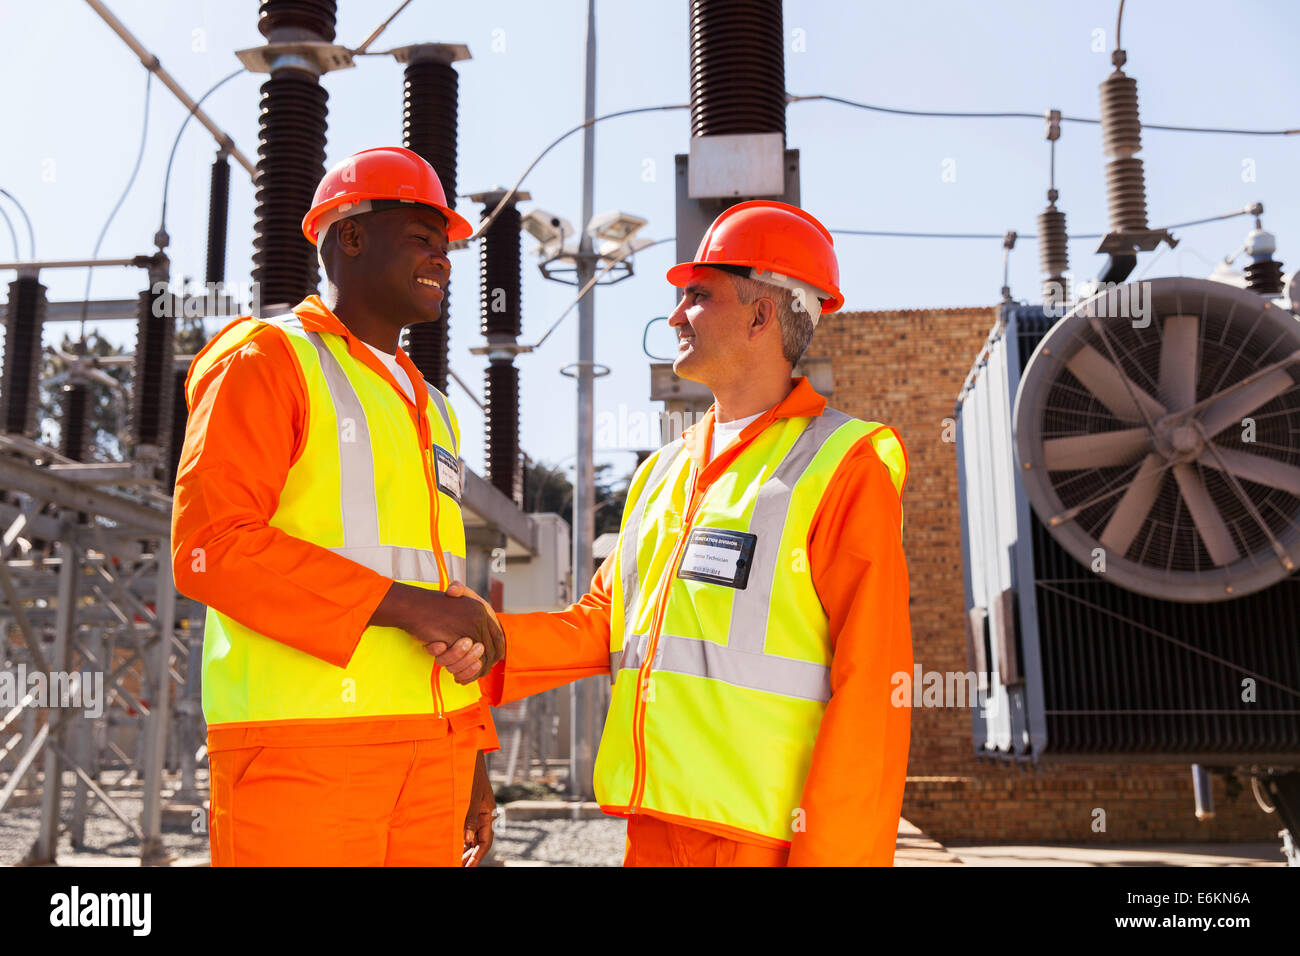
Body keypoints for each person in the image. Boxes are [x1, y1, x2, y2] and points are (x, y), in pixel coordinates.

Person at [442, 200, 912, 865]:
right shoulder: (664, 471)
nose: (673, 315)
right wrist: (481, 642)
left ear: (762, 312)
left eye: (697, 295)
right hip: (653, 832)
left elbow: (874, 693)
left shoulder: (843, 466)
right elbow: (605, 627)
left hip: (761, 844)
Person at [172, 146, 504, 867]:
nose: (442, 260)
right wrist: (411, 607)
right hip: (306, 754)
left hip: (430, 757)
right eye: (423, 239)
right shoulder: (267, 359)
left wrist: (472, 753)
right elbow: (212, 548)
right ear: (350, 236)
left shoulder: (432, 407)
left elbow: (437, 588)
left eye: (446, 247)